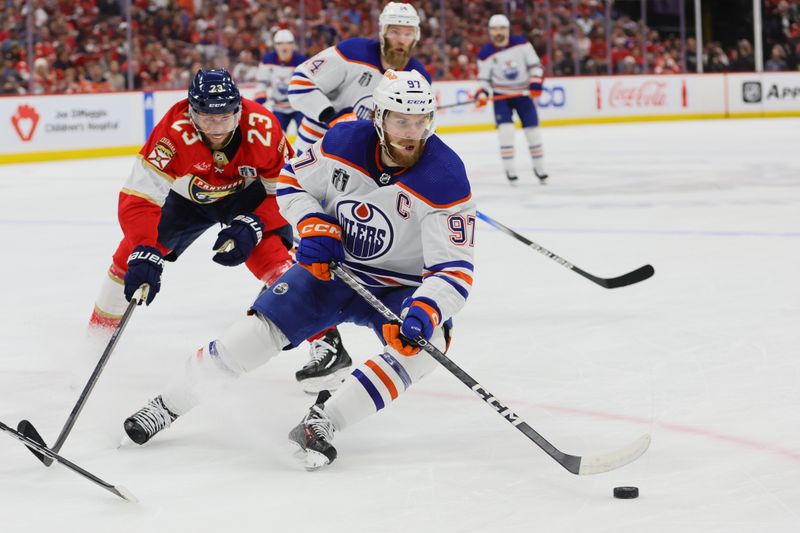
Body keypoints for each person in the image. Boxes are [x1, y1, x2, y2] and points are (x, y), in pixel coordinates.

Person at [122, 70, 476, 473]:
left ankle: (324, 422)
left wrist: (426, 310)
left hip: (398, 288)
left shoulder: (445, 177)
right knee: (257, 334)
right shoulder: (342, 142)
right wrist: (313, 223)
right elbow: (290, 181)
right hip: (331, 269)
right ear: (379, 116)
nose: (412, 133)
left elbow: (454, 269)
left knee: (427, 343)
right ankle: (166, 405)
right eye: (400, 120)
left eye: (420, 121)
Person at [88, 68, 352, 392]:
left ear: (239, 108)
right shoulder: (173, 132)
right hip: (186, 198)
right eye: (207, 118)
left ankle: (328, 344)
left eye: (225, 117)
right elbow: (138, 197)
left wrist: (255, 222)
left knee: (273, 258)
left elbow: (288, 190)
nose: (217, 127)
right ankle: (97, 340)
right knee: (131, 255)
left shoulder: (264, 129)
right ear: (191, 112)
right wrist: (145, 246)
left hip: (250, 196)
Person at [287, 2, 430, 156]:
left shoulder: (419, 78)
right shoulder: (352, 52)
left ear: (416, 37)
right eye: (395, 31)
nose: (401, 40)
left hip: (361, 158)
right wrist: (333, 117)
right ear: (383, 33)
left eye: (408, 34)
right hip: (316, 146)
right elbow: (300, 84)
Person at [475, 14, 549, 184]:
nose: (498, 32)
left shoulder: (522, 44)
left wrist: (535, 81)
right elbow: (484, 80)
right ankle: (510, 170)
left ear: (507, 29)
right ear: (490, 31)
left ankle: (540, 168)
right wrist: (482, 93)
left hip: (523, 94)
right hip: (502, 96)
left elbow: (535, 65)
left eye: (501, 28)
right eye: (494, 29)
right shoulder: (485, 53)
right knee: (506, 132)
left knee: (533, 132)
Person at [254, 29, 306, 135]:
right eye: (280, 44)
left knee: (304, 135)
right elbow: (262, 83)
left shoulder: (301, 61)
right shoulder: (268, 60)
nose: (284, 47)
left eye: (288, 43)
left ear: (293, 45)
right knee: (277, 137)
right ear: (275, 46)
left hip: (299, 107)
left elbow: (308, 84)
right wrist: (259, 100)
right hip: (278, 107)